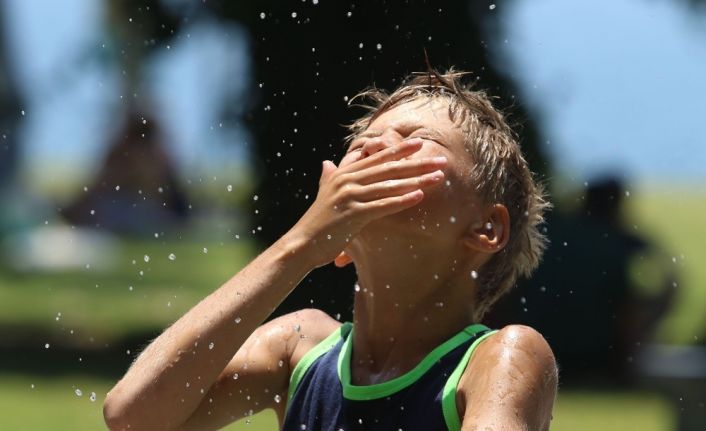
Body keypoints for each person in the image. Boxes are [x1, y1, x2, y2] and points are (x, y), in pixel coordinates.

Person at [103, 70, 558, 431]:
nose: (375, 147)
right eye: (363, 145)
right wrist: (299, 247)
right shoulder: (298, 349)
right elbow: (133, 417)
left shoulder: (500, 360)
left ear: (486, 227)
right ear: (340, 248)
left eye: (418, 142)